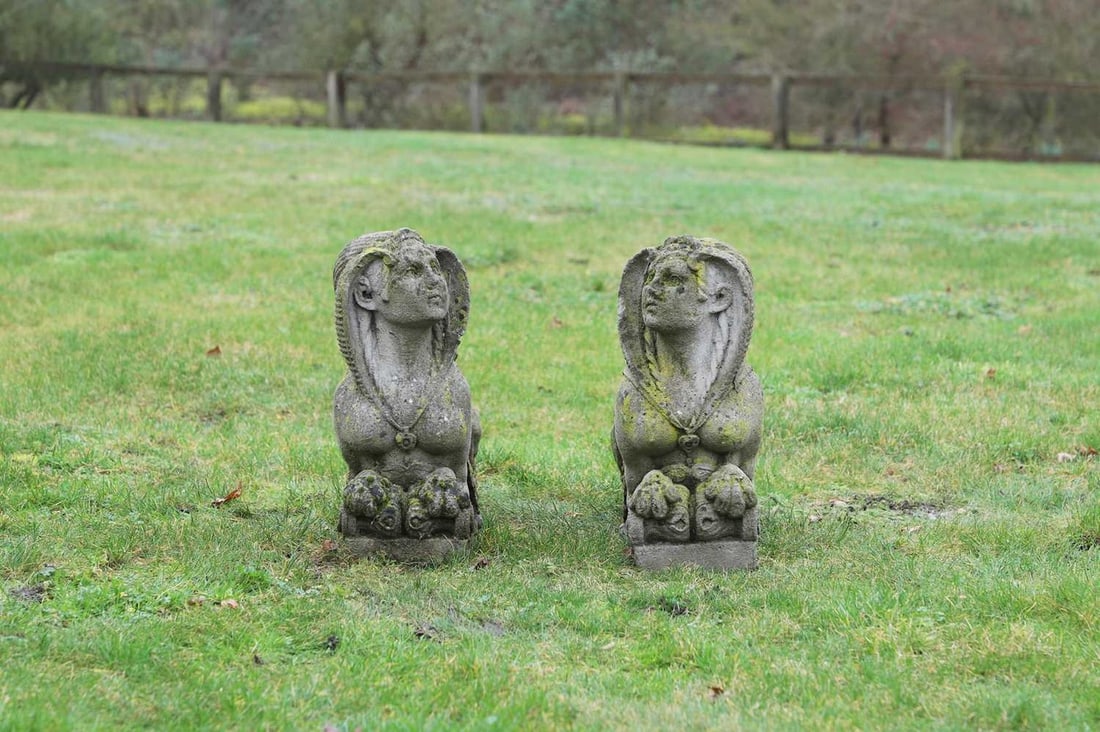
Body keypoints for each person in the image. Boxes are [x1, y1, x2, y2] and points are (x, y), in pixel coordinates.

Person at [333, 229, 480, 541]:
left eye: (435, 269)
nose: (434, 280)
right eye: (413, 270)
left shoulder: (454, 391)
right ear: (366, 294)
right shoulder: (351, 395)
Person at [613, 236, 762, 543]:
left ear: (719, 299)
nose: (651, 290)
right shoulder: (634, 390)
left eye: (672, 279)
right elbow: (634, 476)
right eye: (651, 279)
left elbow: (745, 467)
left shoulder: (742, 385)